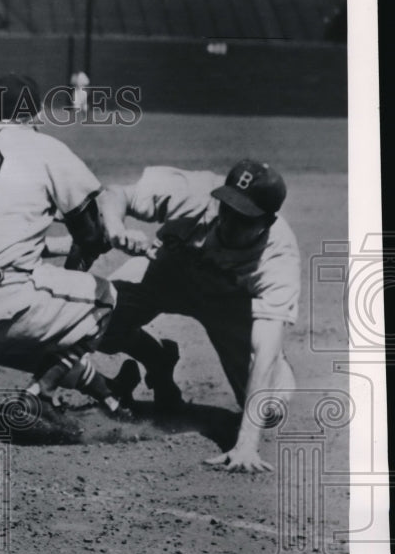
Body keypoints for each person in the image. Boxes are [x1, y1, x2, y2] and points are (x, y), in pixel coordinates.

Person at [0, 73, 139, 423]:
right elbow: (89, 235)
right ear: (37, 114)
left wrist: (60, 250)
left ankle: (109, 393)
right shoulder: (44, 148)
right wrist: (95, 245)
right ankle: (40, 396)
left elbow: (2, 240)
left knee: (49, 312)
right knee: (104, 300)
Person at [97, 161, 300, 472]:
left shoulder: (278, 257)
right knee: (91, 318)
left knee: (268, 410)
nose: (230, 220)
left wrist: (246, 443)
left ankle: (273, 384)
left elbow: (265, 352)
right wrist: (116, 229)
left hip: (229, 309)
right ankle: (157, 359)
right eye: (228, 207)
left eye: (243, 217)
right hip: (166, 275)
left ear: (267, 221)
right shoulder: (193, 192)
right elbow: (115, 194)